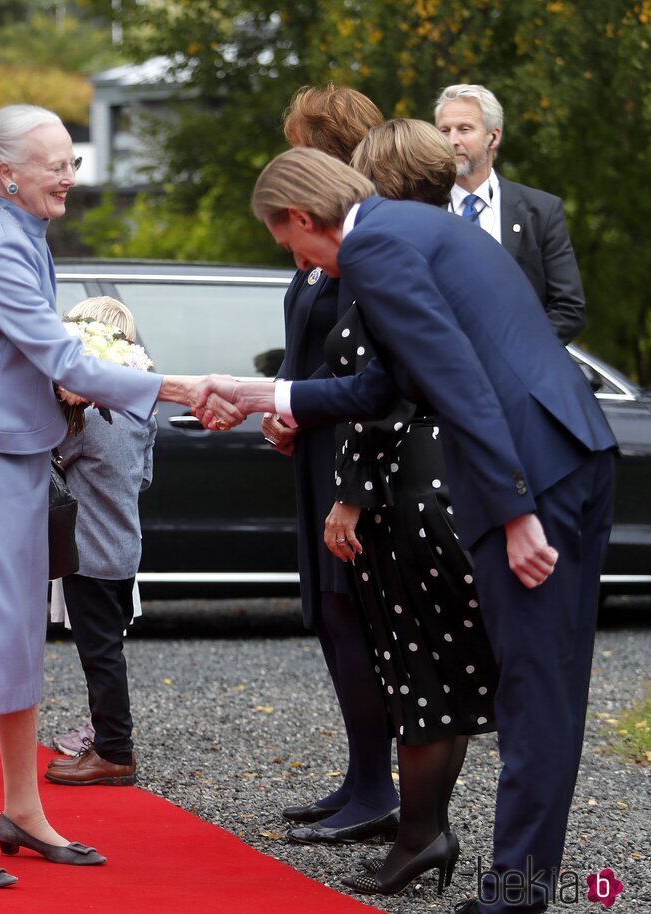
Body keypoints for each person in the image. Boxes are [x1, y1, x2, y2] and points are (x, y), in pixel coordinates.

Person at [196, 147, 616, 914]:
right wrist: (260, 391)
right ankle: (517, 894)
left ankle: (513, 902)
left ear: (300, 217)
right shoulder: (410, 228)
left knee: (534, 696)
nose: (296, 258)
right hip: (568, 449)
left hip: (533, 474)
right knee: (544, 693)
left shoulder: (373, 248)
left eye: (286, 242)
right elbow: (386, 383)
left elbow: (457, 380)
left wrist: (516, 510)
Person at [0, 103, 208, 889]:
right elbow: (61, 356)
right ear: (9, 174)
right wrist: (175, 385)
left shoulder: (17, 234)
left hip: (4, 453)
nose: (72, 176)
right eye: (58, 163)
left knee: (15, 635)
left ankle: (22, 812)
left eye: (72, 160)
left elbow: (48, 359)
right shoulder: (1, 245)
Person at [308, 119, 499, 897]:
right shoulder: (452, 249)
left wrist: (349, 496)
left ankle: (423, 836)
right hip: (438, 482)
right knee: (436, 674)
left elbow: (389, 395)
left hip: (412, 489)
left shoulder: (393, 259)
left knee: (422, 674)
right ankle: (423, 833)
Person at [266, 85, 400, 843]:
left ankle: (379, 791)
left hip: (354, 450)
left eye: (300, 142)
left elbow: (371, 367)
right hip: (314, 442)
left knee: (355, 613)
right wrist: (286, 411)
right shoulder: (321, 243)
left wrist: (306, 405)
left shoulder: (366, 244)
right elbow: (307, 348)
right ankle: (361, 776)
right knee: (329, 612)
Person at [44, 296, 157, 787]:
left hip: (89, 552)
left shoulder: (89, 421)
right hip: (123, 547)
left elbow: (49, 457)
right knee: (108, 649)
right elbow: (145, 480)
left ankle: (114, 750)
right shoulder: (139, 414)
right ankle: (110, 743)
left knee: (100, 654)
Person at [434, 83, 585, 344]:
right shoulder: (421, 208)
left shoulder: (541, 211)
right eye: (444, 130)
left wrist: (517, 356)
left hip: (517, 377)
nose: (452, 141)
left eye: (465, 129)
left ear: (494, 137)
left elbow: (568, 309)